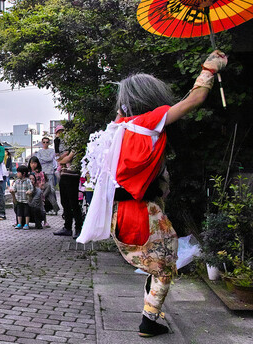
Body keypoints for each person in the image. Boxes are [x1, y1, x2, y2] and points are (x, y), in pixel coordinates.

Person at [79, 50, 227, 337]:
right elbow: (193, 100)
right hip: (143, 211)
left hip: (120, 212)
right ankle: (148, 321)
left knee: (154, 263)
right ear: (151, 98)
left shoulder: (119, 127)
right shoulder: (149, 122)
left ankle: (152, 314)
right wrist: (209, 68)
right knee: (164, 267)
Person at [54, 126, 82, 238]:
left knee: (73, 203)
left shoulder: (75, 146)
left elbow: (67, 159)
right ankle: (67, 227)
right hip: (63, 174)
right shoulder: (61, 145)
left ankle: (78, 228)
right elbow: (58, 158)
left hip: (73, 174)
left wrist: (62, 159)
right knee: (64, 202)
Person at [35, 136, 61, 215]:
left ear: (49, 143)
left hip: (50, 172)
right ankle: (47, 207)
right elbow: (39, 160)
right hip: (41, 172)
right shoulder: (39, 151)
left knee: (52, 189)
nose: (45, 144)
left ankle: (54, 206)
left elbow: (50, 159)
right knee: (42, 189)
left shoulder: (52, 150)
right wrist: (45, 159)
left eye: (47, 142)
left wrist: (44, 159)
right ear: (42, 143)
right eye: (44, 142)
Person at [28, 156, 51, 228]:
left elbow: (42, 183)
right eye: (31, 163)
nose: (33, 165)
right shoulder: (28, 173)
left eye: (35, 163)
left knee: (41, 206)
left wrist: (40, 187)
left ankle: (45, 221)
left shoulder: (40, 173)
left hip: (38, 191)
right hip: (29, 191)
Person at [9, 165, 33, 230]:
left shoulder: (28, 181)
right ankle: (19, 223)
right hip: (19, 200)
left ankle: (26, 224)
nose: (17, 174)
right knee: (19, 212)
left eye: (18, 172)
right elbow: (14, 189)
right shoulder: (17, 181)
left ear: (23, 173)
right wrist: (12, 190)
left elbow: (31, 189)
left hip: (26, 200)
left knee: (26, 213)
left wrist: (29, 191)